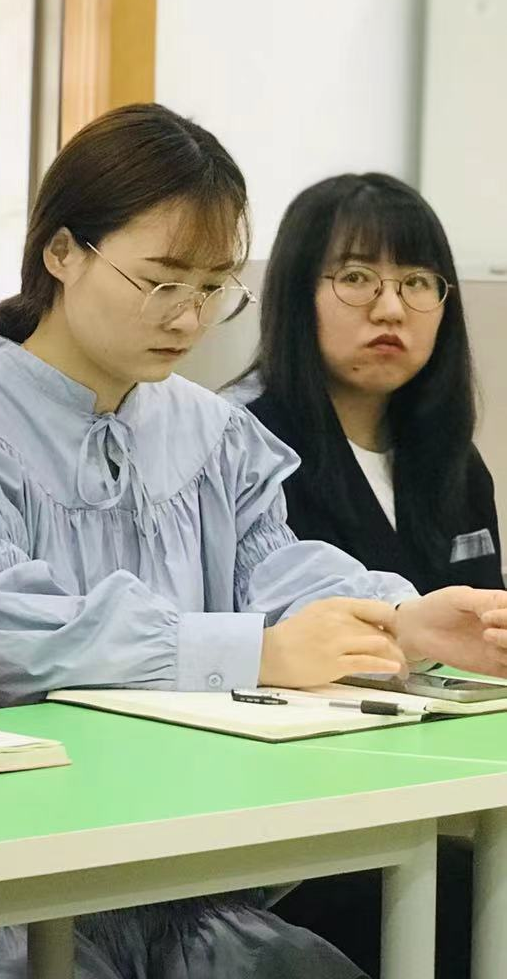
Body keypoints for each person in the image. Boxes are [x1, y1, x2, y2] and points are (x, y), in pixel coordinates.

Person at [0, 103, 507, 979]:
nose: (188, 317)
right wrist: (259, 652)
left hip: (180, 861)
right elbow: (12, 633)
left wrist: (401, 621)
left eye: (211, 288)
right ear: (62, 253)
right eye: (162, 282)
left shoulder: (209, 429)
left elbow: (276, 568)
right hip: (0, 874)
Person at [241, 172, 499, 976]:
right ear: (297, 292)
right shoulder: (245, 449)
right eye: (356, 277)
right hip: (296, 824)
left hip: (446, 792)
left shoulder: (453, 462)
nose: (390, 308)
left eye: (417, 282)